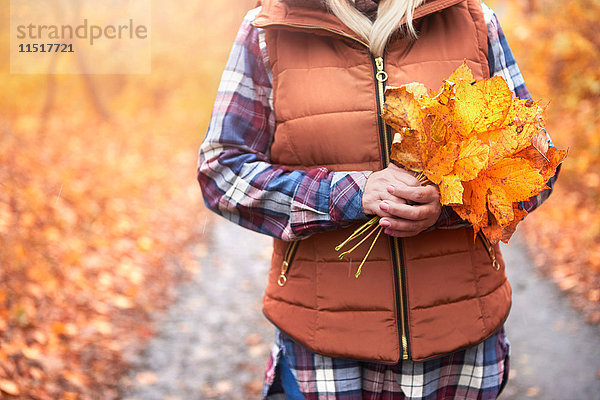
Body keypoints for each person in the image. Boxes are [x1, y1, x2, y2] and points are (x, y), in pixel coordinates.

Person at [197, 0, 558, 398]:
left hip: (462, 338)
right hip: (324, 345)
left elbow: (536, 161)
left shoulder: (472, 19)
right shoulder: (269, 29)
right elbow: (222, 171)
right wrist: (351, 194)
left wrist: (446, 203)